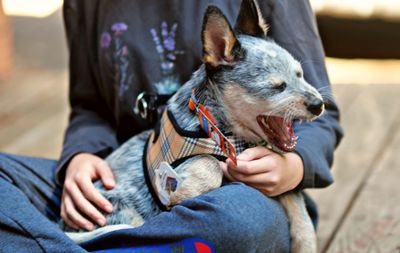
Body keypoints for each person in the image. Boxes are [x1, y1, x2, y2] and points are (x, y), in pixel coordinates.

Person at [0, 0, 343, 252]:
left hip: (238, 196)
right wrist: (82, 154)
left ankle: (62, 245)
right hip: (124, 180)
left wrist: (293, 167)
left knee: (238, 222)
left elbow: (318, 112)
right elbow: (89, 106)